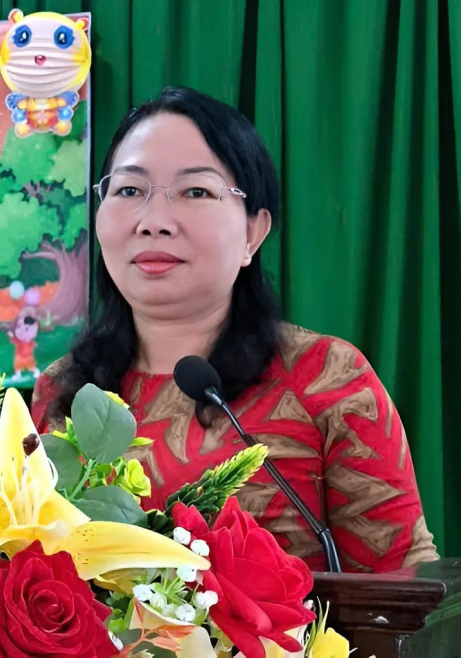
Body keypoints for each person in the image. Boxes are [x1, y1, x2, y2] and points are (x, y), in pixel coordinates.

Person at [31, 86, 438, 573]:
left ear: (253, 232)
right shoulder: (63, 391)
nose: (154, 222)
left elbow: (401, 590)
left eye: (196, 192)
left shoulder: (325, 377)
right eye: (129, 191)